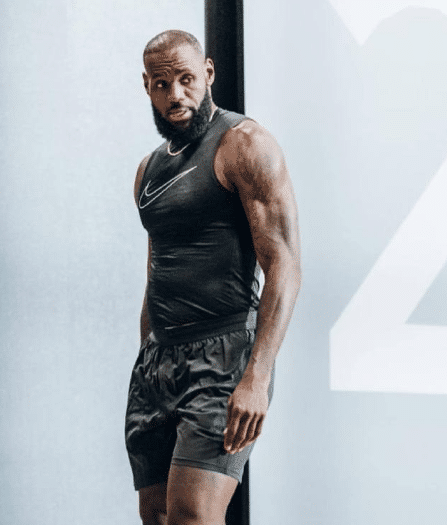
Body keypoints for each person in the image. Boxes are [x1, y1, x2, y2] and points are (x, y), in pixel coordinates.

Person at [125, 29, 301, 525]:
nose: (176, 94)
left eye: (186, 79)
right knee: (157, 515)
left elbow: (284, 263)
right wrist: (146, 362)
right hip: (159, 362)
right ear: (147, 86)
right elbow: (156, 273)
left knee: (193, 515)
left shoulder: (245, 144)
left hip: (222, 356)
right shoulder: (148, 170)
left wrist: (257, 377)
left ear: (208, 73)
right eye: (162, 84)